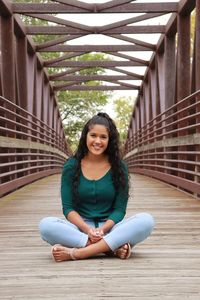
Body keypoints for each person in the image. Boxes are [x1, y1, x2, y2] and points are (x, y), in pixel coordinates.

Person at [39, 112, 155, 262]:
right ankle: (109, 248)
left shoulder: (119, 167)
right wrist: (88, 231)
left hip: (111, 228)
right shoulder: (71, 166)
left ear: (109, 140)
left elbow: (120, 209)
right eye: (93, 135)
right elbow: (68, 208)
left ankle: (79, 253)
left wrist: (103, 229)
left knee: (146, 221)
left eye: (103, 137)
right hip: (81, 228)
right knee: (45, 225)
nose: (97, 141)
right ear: (85, 136)